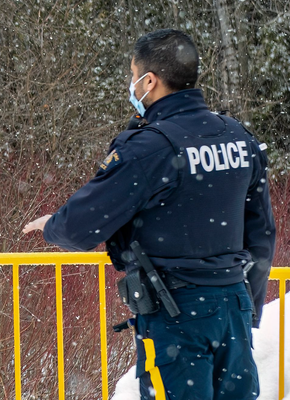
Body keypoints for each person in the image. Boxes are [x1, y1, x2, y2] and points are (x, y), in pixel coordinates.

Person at [23, 29, 275, 400]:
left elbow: (80, 228)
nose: (131, 85)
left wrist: (53, 226)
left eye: (132, 76)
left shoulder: (150, 148)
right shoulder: (239, 138)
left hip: (176, 313)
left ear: (150, 81)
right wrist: (246, 304)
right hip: (233, 306)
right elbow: (261, 235)